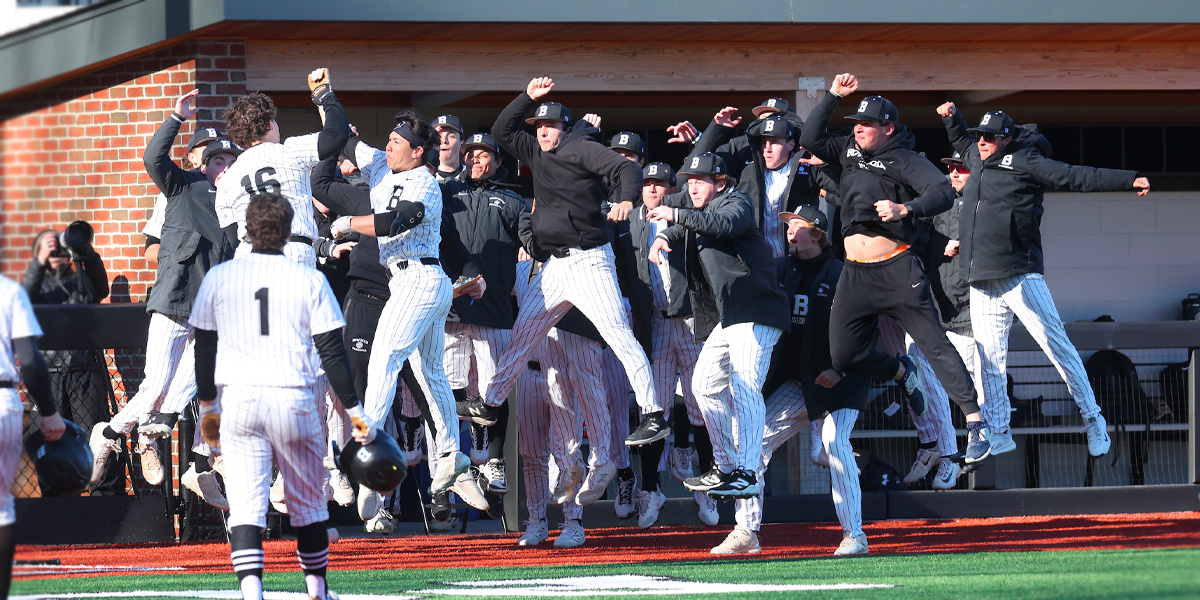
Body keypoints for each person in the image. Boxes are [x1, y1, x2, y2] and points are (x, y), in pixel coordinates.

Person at [457, 77, 663, 469]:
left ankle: (652, 414)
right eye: (538, 125)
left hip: (590, 261)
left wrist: (625, 199)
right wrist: (527, 97)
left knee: (618, 335)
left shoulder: (582, 148)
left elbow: (625, 170)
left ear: (565, 128)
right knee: (524, 334)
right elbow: (502, 130)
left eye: (549, 126)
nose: (543, 131)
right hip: (555, 266)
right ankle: (490, 402)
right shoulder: (537, 150)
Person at [939, 102, 1151, 460]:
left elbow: (1077, 176)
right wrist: (951, 119)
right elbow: (961, 141)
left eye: (989, 136)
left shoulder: (1026, 160)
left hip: (1020, 274)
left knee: (1057, 347)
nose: (982, 142)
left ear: (1006, 139)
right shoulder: (976, 159)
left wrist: (1128, 178)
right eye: (980, 136)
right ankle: (1000, 431)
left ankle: (1093, 418)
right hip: (981, 279)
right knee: (989, 360)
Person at [798, 73, 987, 460]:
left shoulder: (905, 158)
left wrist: (906, 209)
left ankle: (975, 422)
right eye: (858, 123)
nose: (860, 129)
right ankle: (901, 372)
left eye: (868, 124)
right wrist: (833, 95)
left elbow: (942, 192)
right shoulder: (850, 150)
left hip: (897, 269)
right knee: (844, 356)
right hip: (855, 273)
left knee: (935, 344)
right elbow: (810, 139)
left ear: (888, 128)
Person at [189, 192, 365, 600]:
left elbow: (203, 349)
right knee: (307, 505)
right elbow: (333, 354)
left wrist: (208, 406)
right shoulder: (308, 278)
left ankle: (252, 591)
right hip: (293, 397)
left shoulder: (220, 277)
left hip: (239, 398)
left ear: (246, 230)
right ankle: (317, 590)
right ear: (288, 232)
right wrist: (355, 412)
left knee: (247, 504)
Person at [89, 89, 240, 490]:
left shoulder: (239, 207)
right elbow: (153, 159)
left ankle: (160, 443)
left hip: (212, 315)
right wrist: (175, 118)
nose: (224, 167)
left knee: (200, 385)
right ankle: (112, 436)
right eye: (218, 161)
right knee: (155, 386)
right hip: (175, 301)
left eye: (230, 161)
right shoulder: (184, 187)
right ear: (203, 165)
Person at [715, 207, 871, 556]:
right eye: (787, 225)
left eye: (797, 226)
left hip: (840, 378)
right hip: (799, 379)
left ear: (817, 235)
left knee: (835, 442)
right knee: (751, 441)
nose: (789, 231)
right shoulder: (779, 269)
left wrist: (840, 369)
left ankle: (854, 535)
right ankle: (746, 532)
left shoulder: (842, 274)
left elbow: (862, 331)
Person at [648, 152, 790, 499]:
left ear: (720, 183)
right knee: (703, 385)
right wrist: (665, 235)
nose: (691, 186)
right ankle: (725, 466)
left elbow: (721, 225)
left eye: (700, 180)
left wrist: (674, 215)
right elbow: (692, 223)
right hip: (729, 319)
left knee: (744, 388)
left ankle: (747, 470)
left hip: (756, 311)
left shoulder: (737, 201)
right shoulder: (700, 212)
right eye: (689, 180)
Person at [627, 162, 712, 527]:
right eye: (647, 183)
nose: (652, 189)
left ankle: (706, 487)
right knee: (654, 410)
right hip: (657, 323)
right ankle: (650, 489)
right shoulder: (630, 220)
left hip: (692, 320)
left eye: (660, 183)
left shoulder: (687, 216)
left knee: (702, 406)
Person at [23, 227, 123, 494]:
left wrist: (85, 252)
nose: (57, 257)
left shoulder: (82, 275)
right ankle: (59, 515)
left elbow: (101, 287)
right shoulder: (36, 284)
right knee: (50, 448)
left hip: (85, 372)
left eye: (61, 252)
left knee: (98, 442)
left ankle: (107, 508)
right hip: (48, 377)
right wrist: (39, 263)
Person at [1, 273, 66, 598]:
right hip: (3, 403)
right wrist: (50, 412)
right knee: (2, 507)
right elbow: (28, 359)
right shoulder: (9, 290)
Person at [431, 114, 465, 182]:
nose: (443, 141)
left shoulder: (472, 174)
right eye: (438, 136)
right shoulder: (422, 176)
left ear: (462, 143)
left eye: (451, 136)